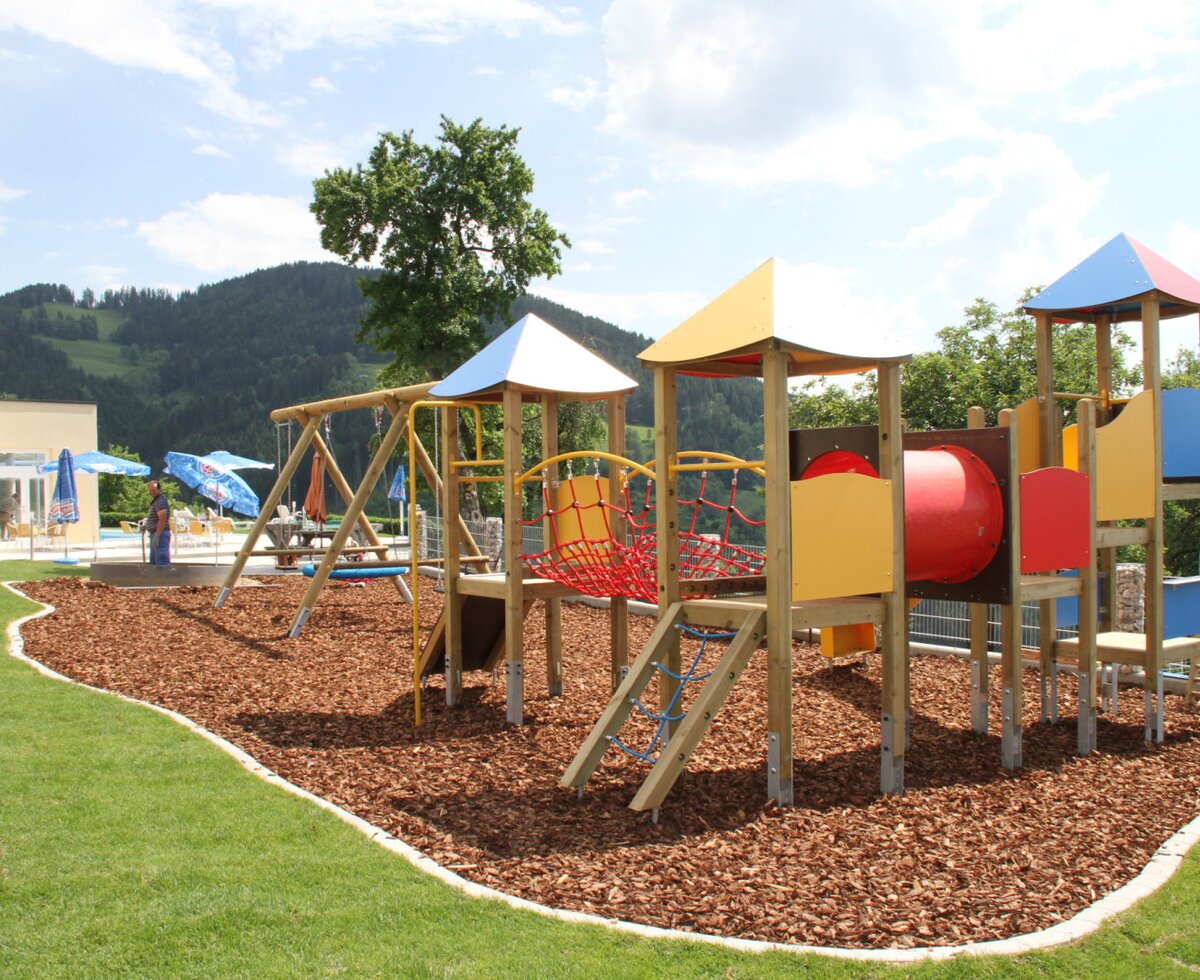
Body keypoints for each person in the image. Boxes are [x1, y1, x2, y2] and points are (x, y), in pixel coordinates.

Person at [145, 479, 171, 565]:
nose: (152, 492)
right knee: (154, 562)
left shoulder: (160, 501)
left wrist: (157, 535)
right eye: (150, 490)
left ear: (159, 490)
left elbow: (162, 519)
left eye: (154, 490)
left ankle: (165, 578)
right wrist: (146, 526)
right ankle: (157, 578)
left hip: (160, 534)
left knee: (161, 561)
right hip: (156, 533)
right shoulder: (156, 501)